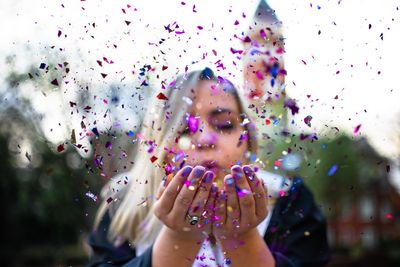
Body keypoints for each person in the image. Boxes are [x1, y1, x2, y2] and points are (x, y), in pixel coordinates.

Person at [86, 68, 330, 267]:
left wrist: (241, 238)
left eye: (224, 124)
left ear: (247, 139)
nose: (205, 139)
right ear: (158, 144)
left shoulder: (288, 199)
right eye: (184, 129)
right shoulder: (122, 202)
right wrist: (180, 237)